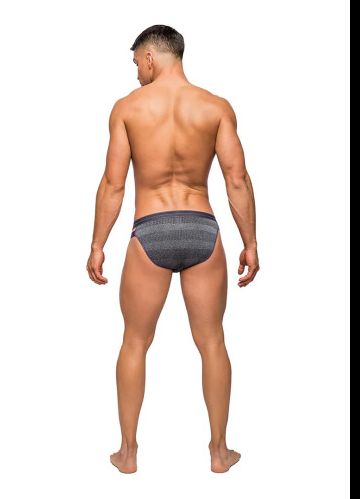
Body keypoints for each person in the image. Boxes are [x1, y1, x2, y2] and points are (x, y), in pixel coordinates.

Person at [86, 25, 260, 474]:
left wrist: (98, 244)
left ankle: (127, 454)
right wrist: (250, 242)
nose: (135, 74)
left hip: (151, 230)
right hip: (202, 229)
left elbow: (113, 183)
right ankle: (219, 453)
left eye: (135, 64)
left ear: (150, 58)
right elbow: (237, 179)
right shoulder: (215, 107)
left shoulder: (128, 108)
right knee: (213, 342)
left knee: (134, 342)